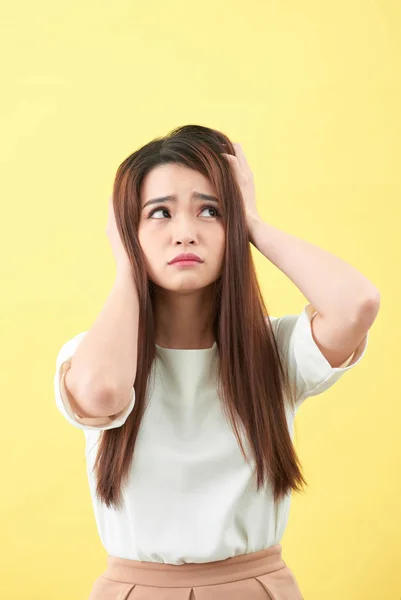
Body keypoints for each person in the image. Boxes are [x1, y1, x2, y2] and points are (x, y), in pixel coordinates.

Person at [54, 124, 379, 599]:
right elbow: (103, 391)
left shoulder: (274, 350)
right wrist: (126, 265)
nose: (185, 233)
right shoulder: (92, 355)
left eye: (210, 210)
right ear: (129, 231)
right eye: (159, 213)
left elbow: (357, 305)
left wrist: (256, 226)